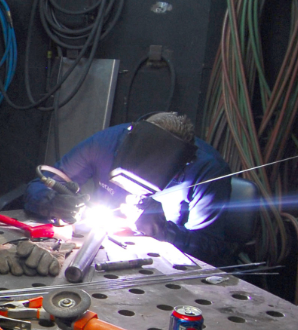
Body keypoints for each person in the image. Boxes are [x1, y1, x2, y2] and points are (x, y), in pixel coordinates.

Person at [24, 112, 233, 266]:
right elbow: (38, 187)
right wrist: (52, 203)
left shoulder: (207, 171)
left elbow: (210, 250)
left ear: (181, 166)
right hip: (97, 250)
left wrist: (164, 231)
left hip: (158, 268)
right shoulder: (106, 143)